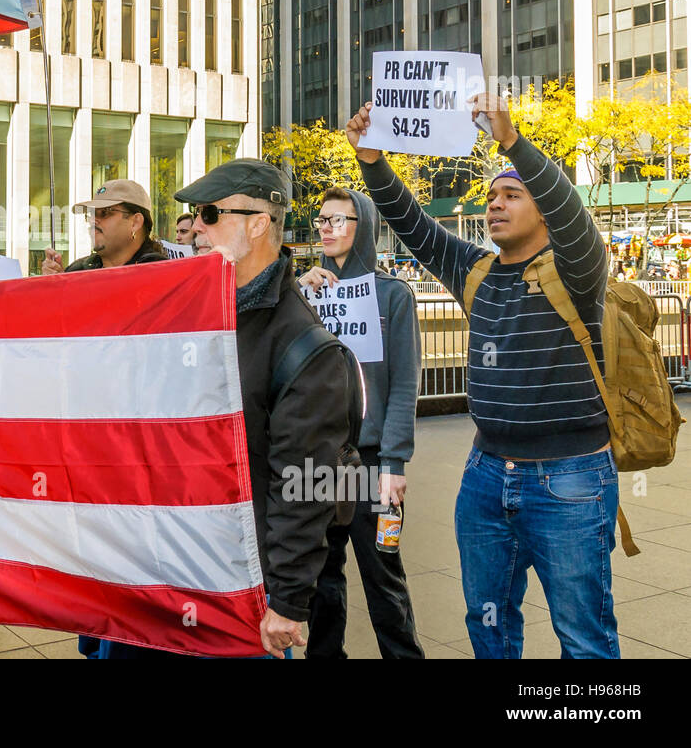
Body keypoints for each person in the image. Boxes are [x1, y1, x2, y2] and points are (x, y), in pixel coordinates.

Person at [346, 95, 618, 659]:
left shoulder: (577, 268)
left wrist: (513, 142)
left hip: (569, 479)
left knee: (583, 637)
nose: (494, 204)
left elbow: (573, 214)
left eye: (511, 195)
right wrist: (372, 161)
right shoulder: (476, 272)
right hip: (485, 477)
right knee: (488, 623)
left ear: (542, 208)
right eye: (491, 195)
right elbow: (414, 225)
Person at [175, 160, 354, 656]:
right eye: (195, 217)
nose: (196, 229)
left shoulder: (304, 347)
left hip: (251, 581)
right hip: (195, 561)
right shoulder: (199, 309)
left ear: (258, 224)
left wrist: (290, 600)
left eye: (210, 215)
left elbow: (305, 483)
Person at [298, 188, 425, 659]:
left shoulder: (392, 296)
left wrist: (395, 461)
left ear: (364, 226)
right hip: (317, 464)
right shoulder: (305, 294)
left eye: (339, 219)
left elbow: (404, 385)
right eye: (321, 220)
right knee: (322, 582)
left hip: (373, 466)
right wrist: (299, 294)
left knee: (384, 577)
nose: (327, 228)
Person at [39, 179, 167, 274]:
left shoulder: (162, 273)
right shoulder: (77, 270)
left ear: (135, 222)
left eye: (105, 213)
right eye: (91, 214)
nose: (93, 221)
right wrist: (58, 286)